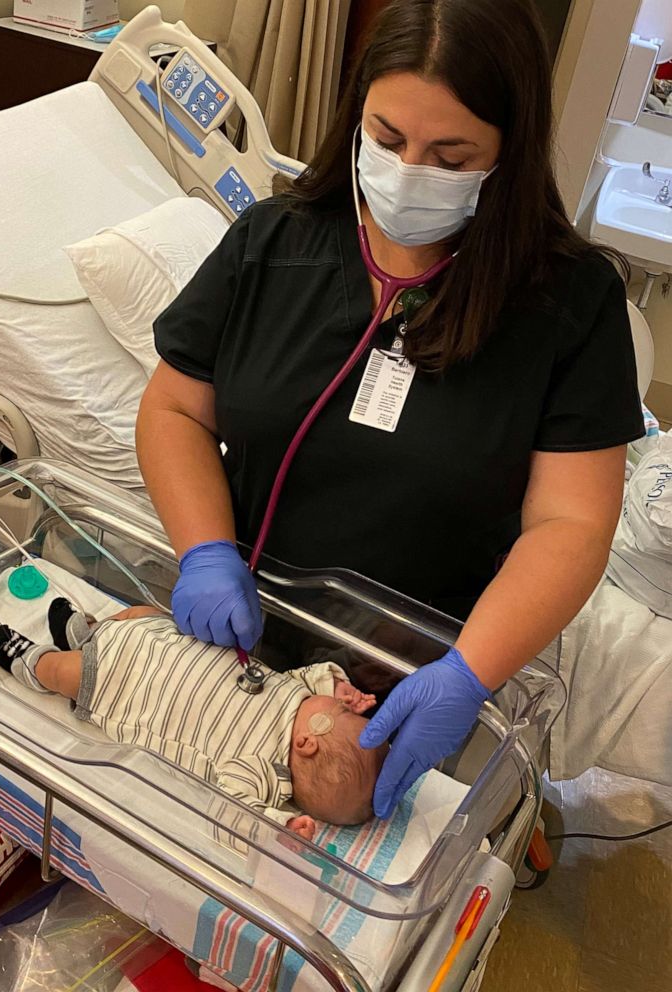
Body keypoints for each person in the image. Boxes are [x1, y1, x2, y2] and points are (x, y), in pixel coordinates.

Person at [136, 0, 645, 819]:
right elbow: (174, 411)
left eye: (451, 155)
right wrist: (202, 552)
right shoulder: (273, 243)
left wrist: (468, 673)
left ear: (508, 155)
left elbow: (572, 525)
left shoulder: (571, 305)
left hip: (419, 678)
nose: (410, 171)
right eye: (387, 139)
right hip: (241, 638)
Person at [0, 599, 388, 840]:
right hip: (164, 644)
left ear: (308, 742)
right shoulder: (297, 694)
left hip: (123, 686)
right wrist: (335, 683)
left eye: (340, 712)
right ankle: (87, 632)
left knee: (67, 675)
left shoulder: (265, 769)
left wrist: (276, 831)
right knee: (140, 614)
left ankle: (33, 663)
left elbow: (233, 811)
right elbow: (306, 674)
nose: (343, 705)